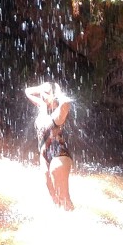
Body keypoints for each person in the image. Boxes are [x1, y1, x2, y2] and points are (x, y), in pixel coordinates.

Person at [24, 81, 74, 210]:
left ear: (54, 95)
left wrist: (58, 92)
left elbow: (66, 103)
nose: (42, 95)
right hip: (44, 156)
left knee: (64, 198)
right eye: (41, 92)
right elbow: (27, 91)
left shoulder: (58, 112)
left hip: (59, 155)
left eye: (47, 93)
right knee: (54, 198)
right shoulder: (42, 106)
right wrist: (42, 88)